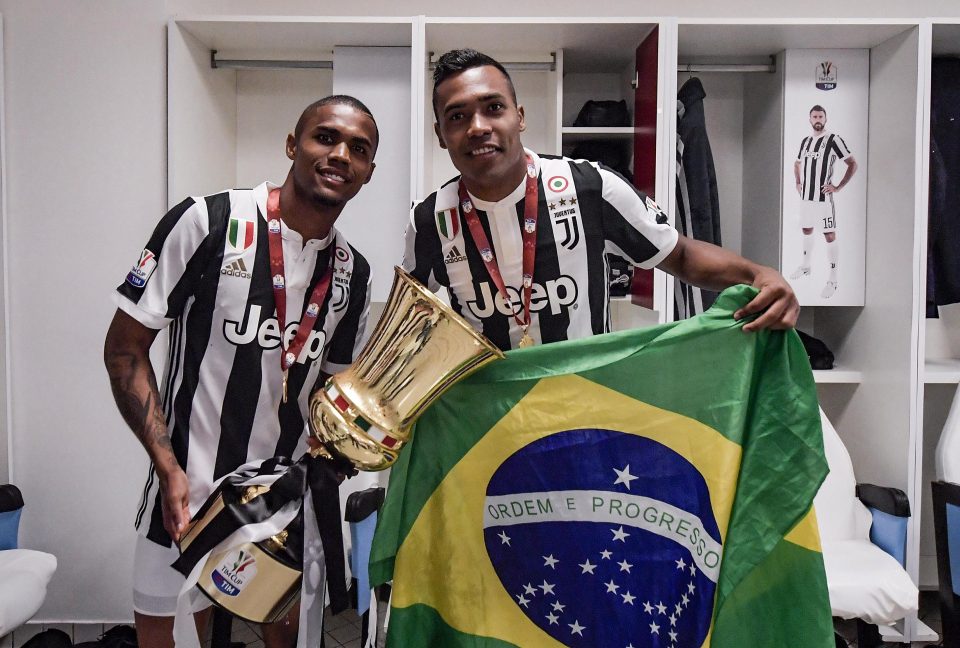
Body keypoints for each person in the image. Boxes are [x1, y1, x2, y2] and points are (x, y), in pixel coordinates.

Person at [103, 95, 378, 648]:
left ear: (369, 172)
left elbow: (333, 393)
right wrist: (167, 468)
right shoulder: (207, 220)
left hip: (284, 507)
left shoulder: (354, 270)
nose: (341, 154)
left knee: (290, 638)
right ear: (292, 145)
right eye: (325, 137)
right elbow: (125, 349)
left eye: (360, 148)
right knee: (168, 640)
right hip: (184, 494)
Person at [403, 49, 798, 351]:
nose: (478, 127)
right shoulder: (428, 221)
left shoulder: (591, 187)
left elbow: (678, 254)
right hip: (489, 419)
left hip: (587, 410)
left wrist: (759, 275)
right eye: (457, 117)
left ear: (518, 117)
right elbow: (408, 319)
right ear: (440, 135)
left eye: (493, 108)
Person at [791, 104, 858, 299]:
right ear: (810, 119)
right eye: (814, 117)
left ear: (826, 119)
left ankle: (833, 279)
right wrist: (797, 181)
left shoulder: (833, 140)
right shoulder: (805, 141)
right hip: (806, 198)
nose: (817, 119)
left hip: (823, 200)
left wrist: (838, 187)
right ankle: (806, 266)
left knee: (829, 235)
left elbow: (852, 163)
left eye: (821, 116)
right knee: (807, 230)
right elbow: (797, 163)